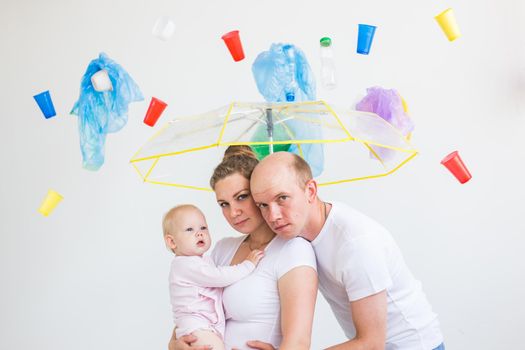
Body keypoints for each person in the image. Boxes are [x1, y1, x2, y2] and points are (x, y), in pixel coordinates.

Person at [250, 151, 445, 350]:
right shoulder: (296, 232)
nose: (273, 216)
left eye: (282, 198)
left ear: (310, 191)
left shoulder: (355, 243)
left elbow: (371, 343)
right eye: (263, 205)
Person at [168, 146, 317, 350]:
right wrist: (175, 346)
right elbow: (190, 310)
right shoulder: (222, 249)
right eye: (224, 204)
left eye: (241, 197)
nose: (233, 212)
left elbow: (298, 342)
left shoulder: (293, 250)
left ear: (258, 193)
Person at [163, 204, 265, 350]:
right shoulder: (184, 265)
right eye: (189, 229)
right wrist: (247, 265)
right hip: (197, 326)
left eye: (203, 228)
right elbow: (219, 277)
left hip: (205, 326)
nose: (199, 233)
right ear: (172, 242)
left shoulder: (203, 260)